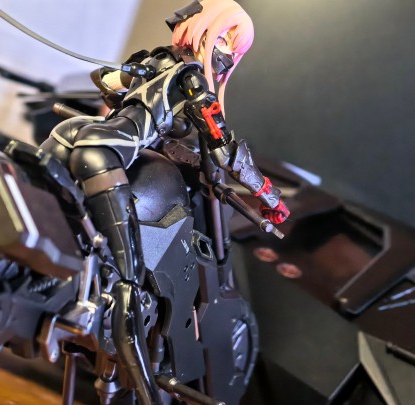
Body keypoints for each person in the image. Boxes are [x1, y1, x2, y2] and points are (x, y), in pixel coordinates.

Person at [40, 0, 289, 402]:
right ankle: (121, 301)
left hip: (77, 133)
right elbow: (225, 150)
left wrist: (132, 86)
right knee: (127, 278)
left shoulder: (156, 60)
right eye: (229, 43)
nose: (229, 56)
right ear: (211, 34)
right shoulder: (193, 81)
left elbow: (105, 78)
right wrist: (267, 194)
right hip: (107, 150)